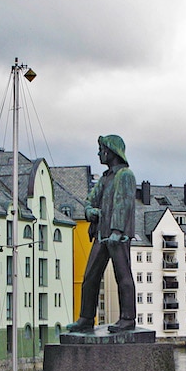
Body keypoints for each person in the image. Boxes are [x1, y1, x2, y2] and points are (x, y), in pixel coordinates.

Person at [67, 135, 137, 333]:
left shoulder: (125, 175)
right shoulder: (105, 178)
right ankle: (86, 318)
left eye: (101, 149)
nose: (99, 154)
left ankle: (127, 319)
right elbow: (89, 201)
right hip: (102, 234)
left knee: (122, 276)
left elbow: (124, 204)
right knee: (90, 276)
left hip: (118, 235)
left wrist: (117, 231)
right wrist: (90, 212)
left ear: (110, 151)